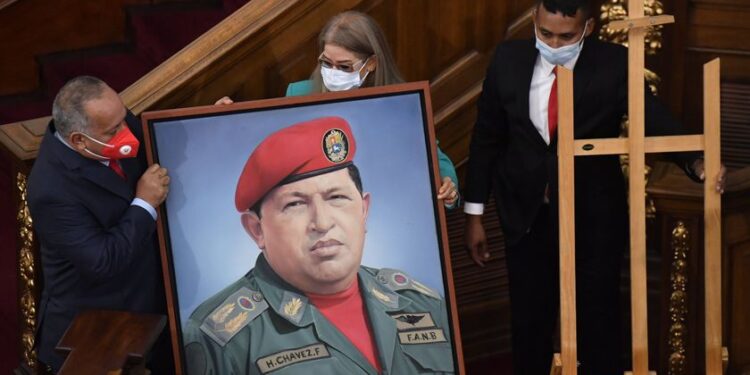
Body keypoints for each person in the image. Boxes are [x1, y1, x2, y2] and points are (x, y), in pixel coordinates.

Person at [463, 1, 726, 374]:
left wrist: (696, 161)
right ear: (535, 20)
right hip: (526, 214)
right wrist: (474, 213)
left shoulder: (613, 63)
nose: (554, 43)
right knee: (528, 321)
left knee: (598, 320)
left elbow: (653, 117)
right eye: (545, 33)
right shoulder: (507, 59)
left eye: (565, 36)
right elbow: (486, 137)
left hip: (593, 217)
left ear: (587, 28)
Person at [182, 116, 455, 374]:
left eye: (336, 197)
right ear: (257, 230)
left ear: (364, 210)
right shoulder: (219, 337)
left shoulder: (422, 303)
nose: (322, 223)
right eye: (296, 204)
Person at [216, 10, 460, 209]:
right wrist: (231, 118)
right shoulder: (298, 93)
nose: (333, 73)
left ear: (371, 63)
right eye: (326, 63)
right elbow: (270, 148)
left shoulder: (400, 100)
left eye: (344, 66)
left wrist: (449, 187)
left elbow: (434, 156)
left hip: (383, 202)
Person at [27, 76, 171, 372]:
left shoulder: (112, 123)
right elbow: (103, 260)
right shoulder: (51, 190)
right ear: (79, 140)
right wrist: (144, 204)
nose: (127, 131)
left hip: (146, 308)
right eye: (114, 130)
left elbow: (149, 136)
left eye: (123, 118)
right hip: (95, 334)